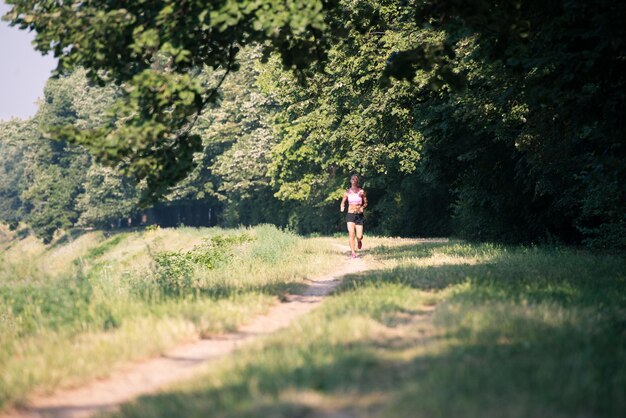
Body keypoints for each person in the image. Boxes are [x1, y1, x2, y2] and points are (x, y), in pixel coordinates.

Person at [340, 174, 368, 258]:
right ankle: (353, 252)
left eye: (355, 179)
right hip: (350, 214)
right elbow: (343, 202)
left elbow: (366, 203)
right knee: (351, 233)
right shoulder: (347, 192)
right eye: (352, 179)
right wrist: (342, 206)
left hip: (359, 215)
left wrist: (362, 207)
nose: (354, 180)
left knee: (359, 236)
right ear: (350, 181)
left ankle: (359, 241)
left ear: (357, 181)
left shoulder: (361, 192)